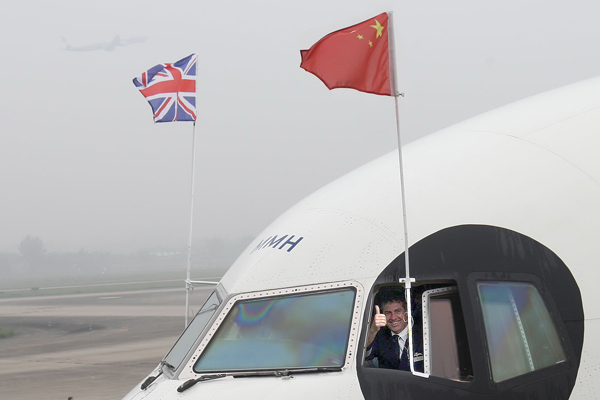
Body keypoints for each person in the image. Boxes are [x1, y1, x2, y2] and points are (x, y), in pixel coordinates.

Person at [365, 287, 424, 371]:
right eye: (388, 313)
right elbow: (364, 355)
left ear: (407, 312)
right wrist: (373, 331)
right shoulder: (380, 335)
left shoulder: (423, 333)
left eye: (397, 311)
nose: (393, 317)